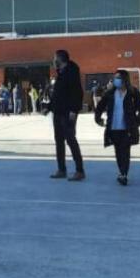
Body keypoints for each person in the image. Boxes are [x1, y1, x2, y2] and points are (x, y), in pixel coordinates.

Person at [95, 70, 140, 185]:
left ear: (125, 80)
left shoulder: (133, 93)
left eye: (118, 78)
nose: (116, 80)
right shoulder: (110, 93)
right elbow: (100, 107)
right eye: (115, 78)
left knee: (125, 152)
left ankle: (124, 174)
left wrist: (137, 122)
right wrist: (98, 119)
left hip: (127, 128)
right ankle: (121, 172)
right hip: (113, 128)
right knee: (118, 152)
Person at [50, 49, 85, 181]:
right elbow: (57, 94)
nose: (54, 61)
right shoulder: (60, 73)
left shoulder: (71, 72)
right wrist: (49, 107)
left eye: (55, 58)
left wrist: (74, 111)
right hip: (58, 112)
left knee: (71, 140)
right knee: (59, 141)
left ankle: (80, 170)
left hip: (68, 113)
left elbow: (77, 93)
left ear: (60, 59)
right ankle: (61, 169)